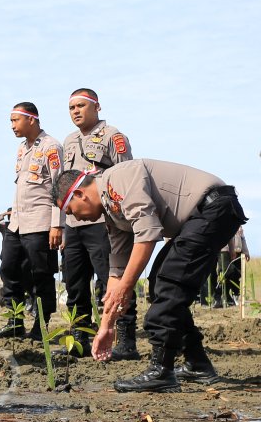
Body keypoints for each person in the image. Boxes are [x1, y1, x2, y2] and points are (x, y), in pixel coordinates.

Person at [54, 160, 247, 392]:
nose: (75, 219)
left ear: (79, 194)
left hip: (214, 208)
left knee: (168, 283)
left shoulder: (119, 179)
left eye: (70, 211)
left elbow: (146, 236)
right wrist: (106, 326)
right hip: (201, 217)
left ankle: (161, 371)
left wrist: (126, 287)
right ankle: (197, 363)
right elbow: (118, 270)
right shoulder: (113, 213)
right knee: (159, 283)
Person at [61, 89, 133, 357]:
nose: (76, 111)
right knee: (75, 284)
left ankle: (126, 340)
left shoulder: (113, 136)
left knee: (111, 281)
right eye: (71, 108)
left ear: (97, 107)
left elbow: (127, 177)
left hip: (103, 220)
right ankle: (80, 338)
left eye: (81, 106)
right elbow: (62, 187)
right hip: (73, 222)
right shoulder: (68, 141)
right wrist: (59, 224)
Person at [0, 102, 64, 340]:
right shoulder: (22, 148)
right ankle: (14, 321)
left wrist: (57, 224)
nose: (12, 126)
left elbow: (59, 188)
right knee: (9, 268)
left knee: (40, 275)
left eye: (15, 120)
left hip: (41, 223)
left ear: (31, 119)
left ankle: (41, 325)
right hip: (18, 222)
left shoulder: (51, 146)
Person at [204, 227, 249, 307]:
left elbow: (243, 238)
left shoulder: (239, 226)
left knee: (237, 274)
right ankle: (218, 295)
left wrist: (246, 251)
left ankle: (233, 296)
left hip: (238, 252)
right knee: (226, 273)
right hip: (224, 250)